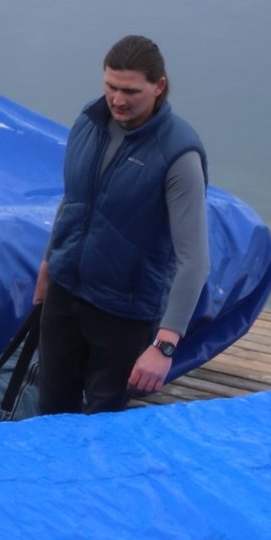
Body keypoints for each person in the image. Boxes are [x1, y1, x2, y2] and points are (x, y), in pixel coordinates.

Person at [34, 35, 209, 414]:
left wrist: (165, 344)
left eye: (130, 90)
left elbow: (194, 258)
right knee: (49, 414)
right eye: (111, 86)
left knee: (105, 425)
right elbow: (73, 200)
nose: (117, 100)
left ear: (159, 86)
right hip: (65, 293)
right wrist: (49, 264)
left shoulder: (178, 154)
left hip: (123, 313)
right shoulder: (89, 123)